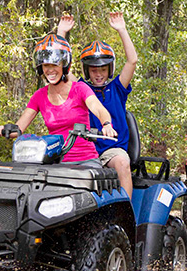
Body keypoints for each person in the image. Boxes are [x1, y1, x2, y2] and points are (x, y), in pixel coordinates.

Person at [0, 34, 117, 168]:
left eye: (54, 64)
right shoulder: (39, 96)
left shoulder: (80, 89)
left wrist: (107, 124)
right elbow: (18, 129)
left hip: (85, 161)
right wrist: (3, 130)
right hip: (55, 162)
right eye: (46, 65)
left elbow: (98, 108)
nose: (50, 70)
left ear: (64, 64)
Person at [56, 12, 137, 199]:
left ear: (109, 69)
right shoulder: (81, 88)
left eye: (102, 69)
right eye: (94, 70)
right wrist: (62, 32)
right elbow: (60, 69)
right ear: (87, 70)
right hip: (85, 150)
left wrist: (122, 30)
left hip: (111, 151)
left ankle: (127, 213)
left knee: (123, 162)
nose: (98, 74)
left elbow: (132, 61)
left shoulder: (117, 88)